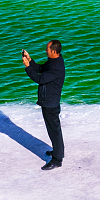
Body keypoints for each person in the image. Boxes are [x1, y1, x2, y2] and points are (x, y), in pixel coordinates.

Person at [22, 40, 65, 171]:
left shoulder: (57, 67)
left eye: (47, 49)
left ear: (54, 51)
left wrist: (27, 67)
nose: (45, 51)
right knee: (52, 130)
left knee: (54, 131)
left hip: (50, 104)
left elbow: (40, 79)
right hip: (48, 102)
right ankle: (57, 152)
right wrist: (30, 60)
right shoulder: (52, 61)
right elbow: (41, 69)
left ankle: (57, 160)